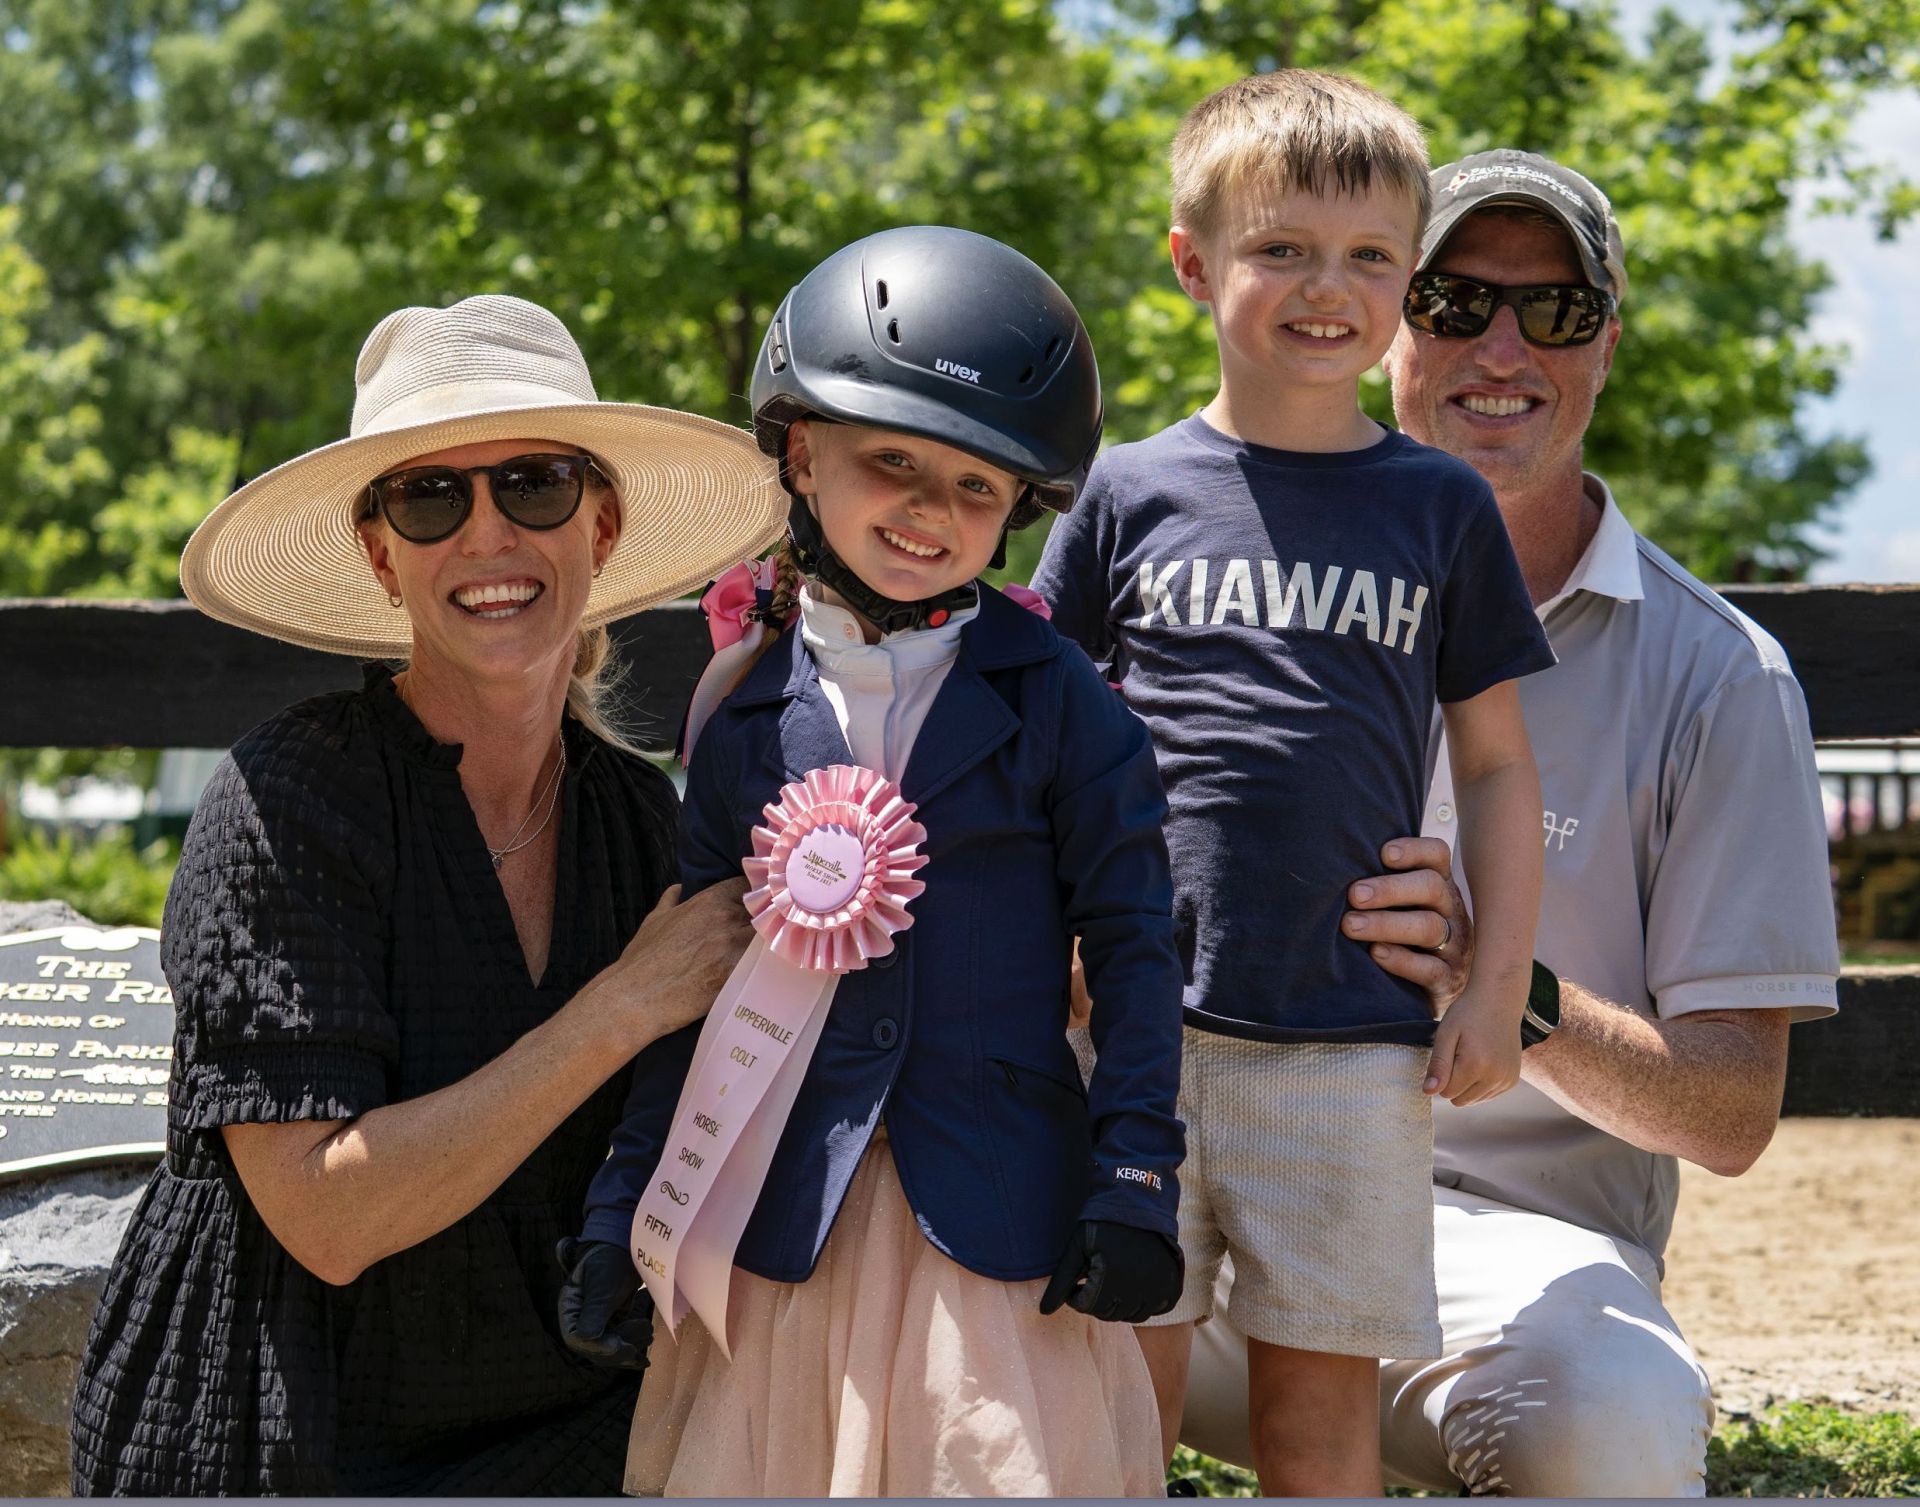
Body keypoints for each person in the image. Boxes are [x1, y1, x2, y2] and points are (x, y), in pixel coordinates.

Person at [1179, 150, 1843, 1496]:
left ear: (1606, 337)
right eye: (1452, 298)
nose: (1501, 347)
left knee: (1614, 1421)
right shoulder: (1208, 566)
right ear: (1385, 324)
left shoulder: (1721, 675)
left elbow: (1729, 1110)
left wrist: (1503, 981)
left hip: (1495, 1254)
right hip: (1203, 1190)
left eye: (1553, 310)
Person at [68, 294, 787, 1494]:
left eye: (535, 484)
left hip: (556, 1434)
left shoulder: (643, 823)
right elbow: (327, 1217)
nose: (488, 533)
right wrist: (619, 1007)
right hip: (280, 1439)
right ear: (378, 548)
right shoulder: (289, 798)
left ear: (601, 526)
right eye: (430, 496)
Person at [559, 226, 1188, 1497]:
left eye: (973, 486)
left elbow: (1133, 950)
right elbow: (699, 984)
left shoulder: (1067, 705)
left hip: (997, 1236)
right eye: (889, 462)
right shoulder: (740, 718)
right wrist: (620, 1204)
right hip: (784, 1224)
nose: (926, 511)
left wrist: (1135, 1179)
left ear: (1021, 508)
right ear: (801, 451)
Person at [1032, 72, 1556, 1496]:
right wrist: (1049, 934)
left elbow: (1499, 765)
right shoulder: (1123, 493)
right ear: (1195, 262)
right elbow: (1030, 735)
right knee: (1108, 1413)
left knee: (1320, 1437)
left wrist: (1496, 977)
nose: (1330, 288)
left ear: (1408, 280)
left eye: (1372, 257)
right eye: (1283, 249)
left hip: (1351, 1051)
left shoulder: (1439, 505)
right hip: (1137, 1036)